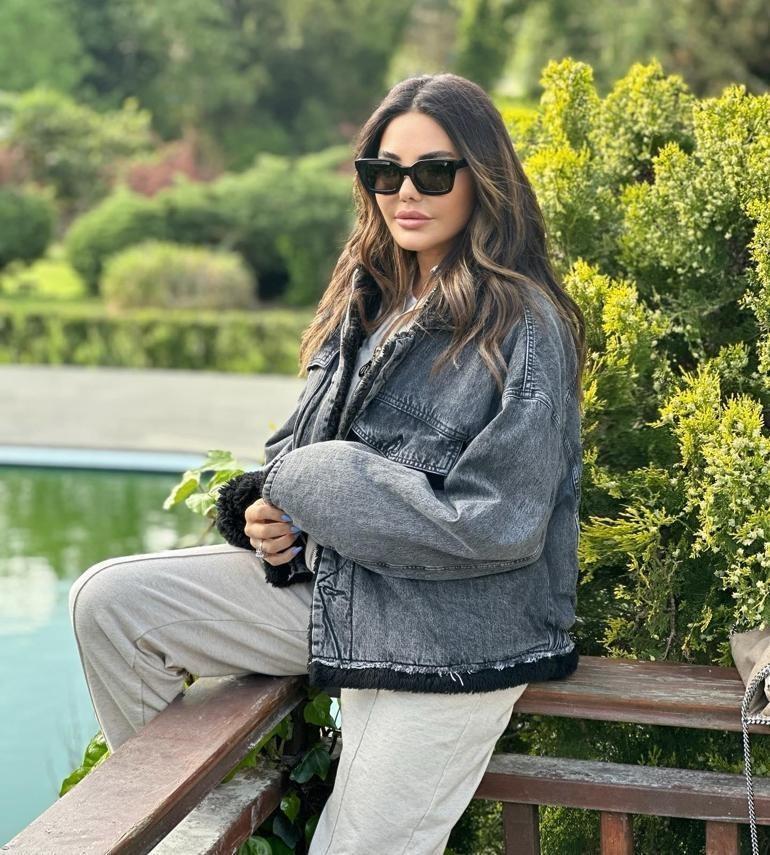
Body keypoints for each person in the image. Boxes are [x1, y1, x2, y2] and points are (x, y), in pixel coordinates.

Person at [69, 72, 586, 854]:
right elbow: (292, 454)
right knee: (111, 605)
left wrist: (327, 483)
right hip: (340, 594)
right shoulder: (368, 297)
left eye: (433, 172)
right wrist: (265, 513)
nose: (404, 192)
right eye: (384, 172)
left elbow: (500, 525)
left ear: (483, 177)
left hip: (452, 635)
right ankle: (199, 838)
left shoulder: (525, 325)